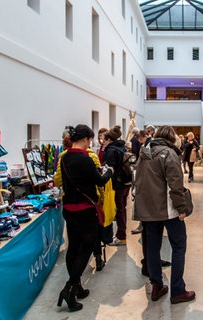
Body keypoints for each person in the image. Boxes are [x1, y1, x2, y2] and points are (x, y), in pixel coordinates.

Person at [133, 125, 196, 304]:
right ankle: (177, 290)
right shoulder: (169, 154)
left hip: (149, 210)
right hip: (169, 210)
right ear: (172, 138)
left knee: (152, 247)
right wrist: (181, 209)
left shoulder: (145, 153)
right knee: (179, 246)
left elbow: (139, 181)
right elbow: (175, 185)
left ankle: (157, 286)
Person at [56, 124, 113, 312]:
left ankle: (77, 286)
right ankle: (70, 288)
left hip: (69, 208)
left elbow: (62, 182)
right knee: (87, 246)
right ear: (85, 139)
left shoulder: (64, 158)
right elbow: (100, 181)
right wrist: (109, 172)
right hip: (85, 209)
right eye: (90, 140)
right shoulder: (85, 158)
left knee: (73, 246)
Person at [103, 126, 131, 246]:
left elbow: (110, 168)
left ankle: (121, 236)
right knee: (122, 208)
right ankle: (121, 233)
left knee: (119, 209)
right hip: (126, 182)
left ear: (109, 139)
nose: (103, 142)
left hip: (117, 184)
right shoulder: (123, 147)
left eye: (104, 140)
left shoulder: (111, 150)